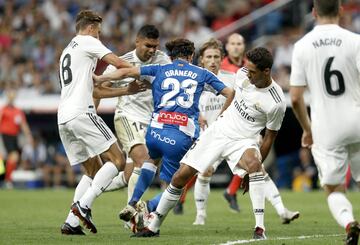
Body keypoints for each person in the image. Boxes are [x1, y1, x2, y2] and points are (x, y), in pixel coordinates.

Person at [133, 47, 286, 239]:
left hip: (242, 140)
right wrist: (222, 116)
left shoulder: (276, 102)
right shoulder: (242, 74)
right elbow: (232, 96)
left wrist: (249, 173)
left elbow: (270, 138)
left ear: (266, 71)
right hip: (217, 132)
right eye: (248, 69)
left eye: (253, 72)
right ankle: (153, 226)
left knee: (255, 166)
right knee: (180, 177)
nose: (248, 74)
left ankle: (259, 229)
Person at [93, 38, 235, 232]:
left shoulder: (159, 69)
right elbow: (230, 93)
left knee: (150, 161)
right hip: (180, 135)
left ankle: (134, 202)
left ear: (170, 56)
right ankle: (150, 211)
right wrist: (221, 118)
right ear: (192, 56)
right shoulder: (202, 73)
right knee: (178, 184)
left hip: (154, 131)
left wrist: (100, 79)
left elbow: (127, 71)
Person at [58, 10, 135, 235]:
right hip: (83, 113)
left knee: (92, 171)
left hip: (64, 118)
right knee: (118, 160)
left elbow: (96, 89)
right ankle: (83, 206)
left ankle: (71, 223)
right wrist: (140, 73)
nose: (99, 37)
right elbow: (119, 63)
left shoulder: (68, 50)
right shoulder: (87, 42)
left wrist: (126, 90)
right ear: (91, 28)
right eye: (99, 33)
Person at [289, 0, 360, 244]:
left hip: (327, 126)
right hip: (357, 119)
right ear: (341, 10)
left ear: (313, 12)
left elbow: (296, 97)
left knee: (333, 187)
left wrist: (307, 130)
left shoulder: (302, 46)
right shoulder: (355, 41)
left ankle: (349, 223)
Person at [99, 25, 171, 202]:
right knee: (144, 161)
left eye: (155, 46)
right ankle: (132, 215)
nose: (152, 50)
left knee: (128, 176)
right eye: (148, 46)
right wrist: (126, 90)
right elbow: (98, 90)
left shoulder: (163, 61)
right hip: (128, 117)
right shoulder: (122, 62)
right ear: (137, 41)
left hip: (153, 121)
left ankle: (89, 191)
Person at [220, 33, 247, 212]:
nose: (236, 47)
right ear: (227, 47)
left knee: (250, 158)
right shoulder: (220, 66)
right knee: (204, 165)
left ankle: (231, 191)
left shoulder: (250, 66)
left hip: (243, 119)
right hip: (220, 118)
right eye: (233, 44)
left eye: (239, 43)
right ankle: (180, 198)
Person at [0, 89, 33, 189]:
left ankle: (7, 181)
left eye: (13, 95)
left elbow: (23, 125)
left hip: (14, 137)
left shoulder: (18, 111)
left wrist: (29, 136)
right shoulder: (4, 110)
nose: (12, 96)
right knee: (12, 157)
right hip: (4, 136)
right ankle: (8, 181)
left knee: (13, 158)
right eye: (10, 94)